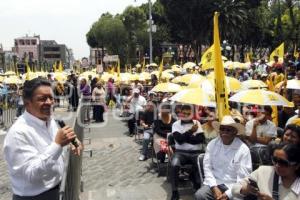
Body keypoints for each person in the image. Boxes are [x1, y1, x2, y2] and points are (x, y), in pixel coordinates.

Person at [3, 78, 83, 200]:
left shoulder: (49, 120)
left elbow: (52, 149)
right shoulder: (18, 133)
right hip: (35, 196)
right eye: (42, 99)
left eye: (51, 97)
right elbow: (31, 174)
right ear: (27, 103)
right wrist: (57, 145)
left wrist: (70, 142)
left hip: (57, 189)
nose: (49, 102)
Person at [195, 115, 252, 200]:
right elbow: (207, 168)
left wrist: (228, 194)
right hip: (214, 183)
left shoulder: (243, 149)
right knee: (200, 195)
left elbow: (243, 178)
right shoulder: (212, 144)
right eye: (222, 129)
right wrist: (214, 187)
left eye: (228, 129)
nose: (224, 132)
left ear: (235, 132)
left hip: (234, 186)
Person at [232, 144, 300, 200]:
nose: (277, 165)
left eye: (283, 163)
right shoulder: (263, 171)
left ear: (296, 165)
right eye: (275, 160)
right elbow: (235, 188)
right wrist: (246, 189)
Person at [170, 105, 206, 200]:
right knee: (174, 165)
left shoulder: (196, 122)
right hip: (181, 153)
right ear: (180, 113)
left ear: (192, 114)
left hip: (196, 152)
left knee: (202, 164)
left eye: (188, 113)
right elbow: (179, 140)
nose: (186, 115)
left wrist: (184, 138)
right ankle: (174, 191)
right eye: (184, 113)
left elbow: (200, 139)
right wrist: (191, 131)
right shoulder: (176, 124)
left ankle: (201, 186)